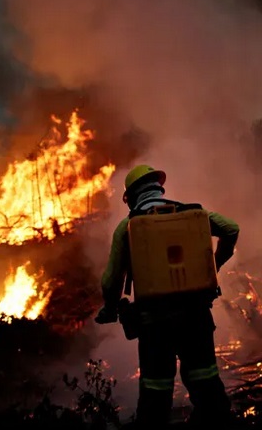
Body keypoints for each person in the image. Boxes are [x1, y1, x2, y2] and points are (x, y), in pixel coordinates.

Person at [97, 164, 240, 428]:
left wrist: (108, 308)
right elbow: (231, 228)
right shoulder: (192, 213)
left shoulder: (128, 226)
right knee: (206, 384)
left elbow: (111, 281)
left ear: (130, 198)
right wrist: (214, 265)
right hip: (196, 319)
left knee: (155, 392)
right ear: (159, 189)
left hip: (154, 326)